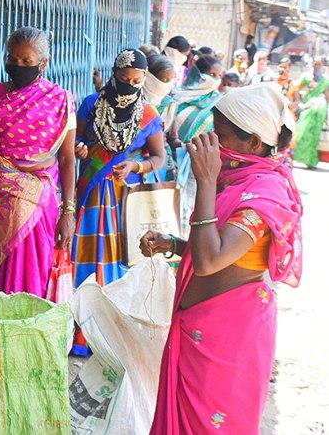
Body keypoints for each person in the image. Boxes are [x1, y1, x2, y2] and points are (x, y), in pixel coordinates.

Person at [140, 84, 301, 434]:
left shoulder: (266, 193)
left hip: (229, 338)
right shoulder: (235, 179)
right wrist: (174, 244)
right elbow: (215, 247)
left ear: (254, 143)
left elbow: (210, 261)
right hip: (196, 329)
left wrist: (206, 181)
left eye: (221, 135)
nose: (211, 140)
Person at [0, 26, 76, 298]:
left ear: (43, 63)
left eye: (26, 60)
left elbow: (67, 158)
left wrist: (68, 211)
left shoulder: (61, 101)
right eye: (13, 59)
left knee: (29, 277)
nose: (18, 65)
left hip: (37, 200)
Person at [72, 49, 165, 286]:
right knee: (87, 248)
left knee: (123, 250)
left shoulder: (148, 115)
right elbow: (76, 140)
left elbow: (158, 158)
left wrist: (135, 166)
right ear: (114, 74)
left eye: (136, 81)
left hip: (126, 196)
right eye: (124, 79)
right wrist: (79, 147)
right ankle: (85, 293)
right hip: (92, 189)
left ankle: (117, 296)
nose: (129, 86)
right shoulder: (92, 104)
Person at [160, 55, 224, 237]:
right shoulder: (174, 96)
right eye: (211, 74)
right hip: (167, 160)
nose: (214, 80)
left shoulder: (218, 103)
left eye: (218, 76)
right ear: (197, 73)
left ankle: (181, 244)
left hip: (197, 166)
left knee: (189, 209)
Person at [294, 57, 329, 168]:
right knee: (303, 132)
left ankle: (311, 160)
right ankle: (299, 156)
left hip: (320, 111)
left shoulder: (325, 80)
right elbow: (296, 88)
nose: (317, 67)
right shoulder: (306, 76)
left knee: (314, 135)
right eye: (315, 64)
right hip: (307, 108)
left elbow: (327, 96)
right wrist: (299, 102)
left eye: (319, 64)